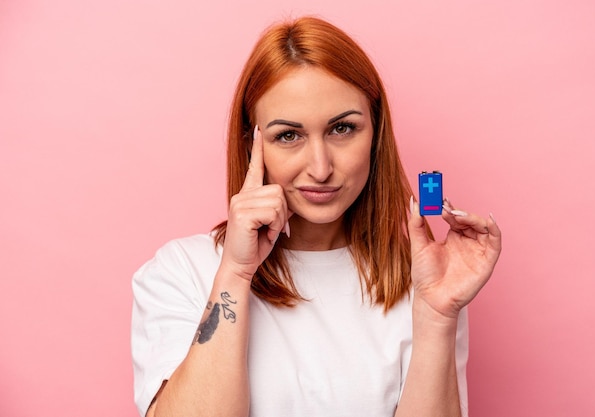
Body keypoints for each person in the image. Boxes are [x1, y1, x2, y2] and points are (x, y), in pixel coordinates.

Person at [131, 16, 501, 417]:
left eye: (342, 128)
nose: (320, 167)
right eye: (288, 136)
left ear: (376, 133)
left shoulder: (426, 281)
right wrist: (236, 273)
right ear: (251, 143)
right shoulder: (182, 270)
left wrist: (435, 315)